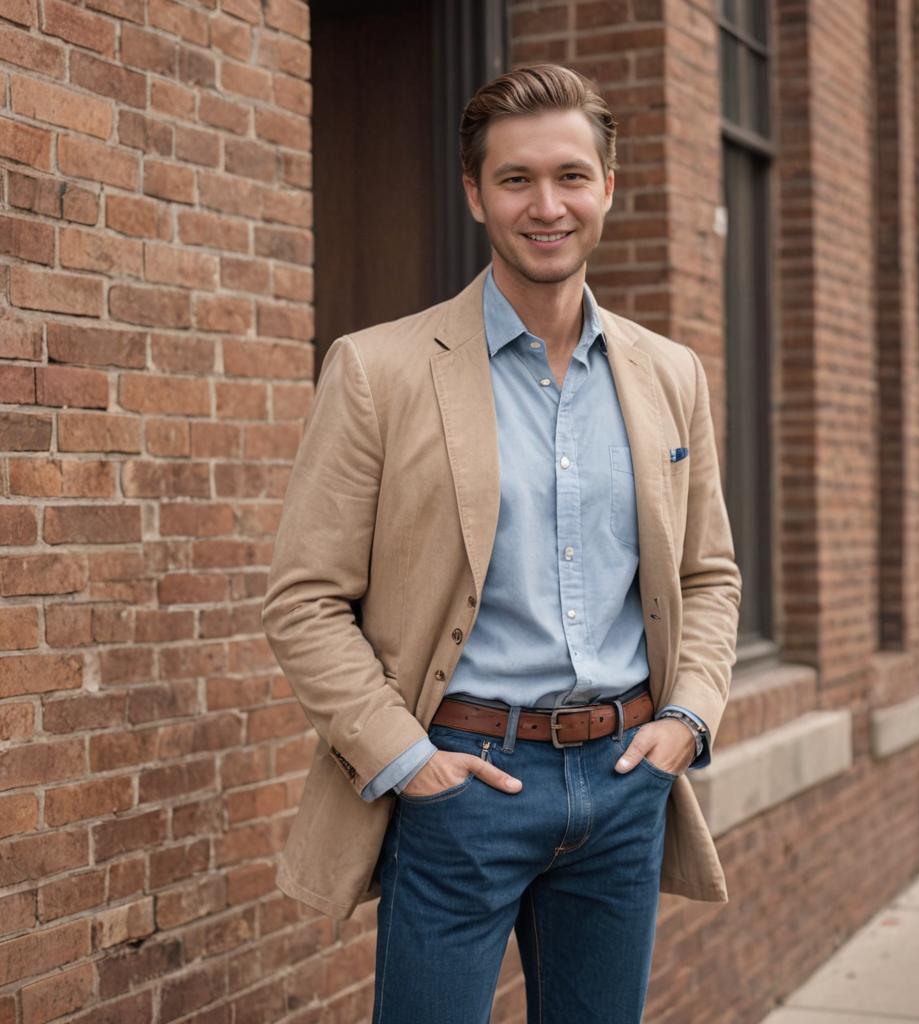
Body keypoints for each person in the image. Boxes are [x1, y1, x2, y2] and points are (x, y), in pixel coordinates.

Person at [261, 63, 742, 1024]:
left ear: (609, 186)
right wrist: (408, 761)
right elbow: (304, 598)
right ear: (476, 193)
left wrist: (686, 722)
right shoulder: (379, 370)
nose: (547, 205)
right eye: (517, 179)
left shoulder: (669, 373)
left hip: (623, 783)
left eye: (571, 176)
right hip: (462, 787)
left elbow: (708, 572)